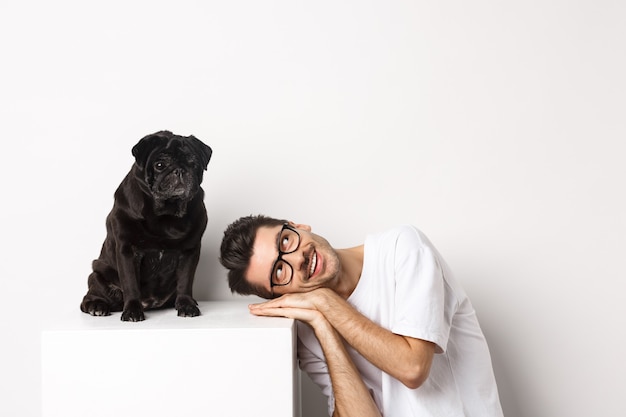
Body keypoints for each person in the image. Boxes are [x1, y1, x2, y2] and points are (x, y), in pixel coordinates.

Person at [220, 214, 504, 417]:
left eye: (285, 242)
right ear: (283, 295)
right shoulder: (309, 333)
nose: (297, 259)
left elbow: (413, 368)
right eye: (280, 271)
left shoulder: (402, 248)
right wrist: (323, 325)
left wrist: (328, 303)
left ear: (298, 226)